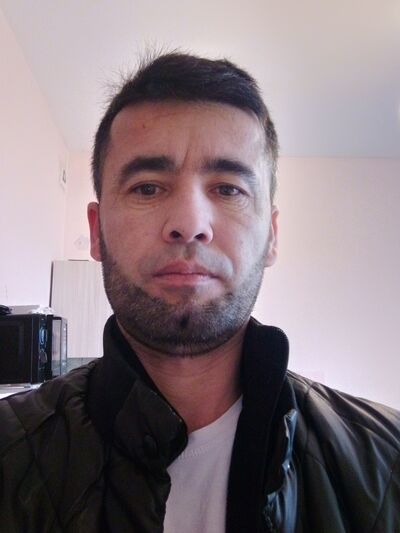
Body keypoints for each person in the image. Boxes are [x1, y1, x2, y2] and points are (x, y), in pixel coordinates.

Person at [0, 52, 399, 533]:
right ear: (97, 231)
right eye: (148, 188)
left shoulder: (388, 464)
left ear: (271, 237)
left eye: (228, 189)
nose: (189, 224)